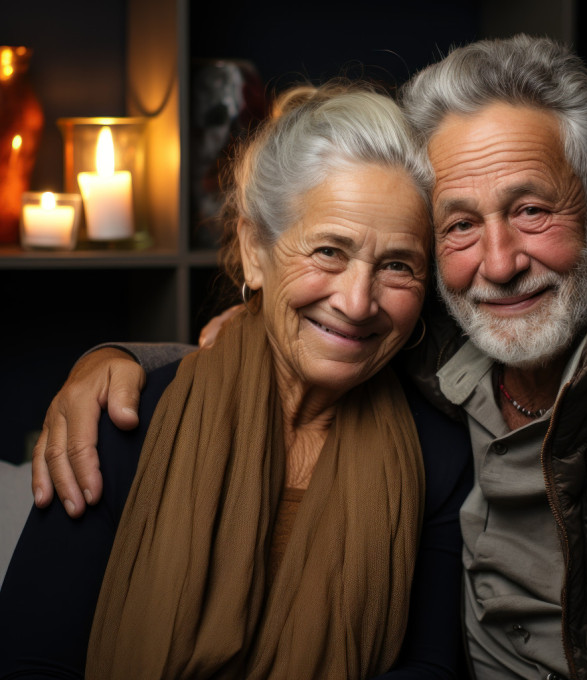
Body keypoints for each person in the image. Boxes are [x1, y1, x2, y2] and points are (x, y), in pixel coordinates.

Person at [24, 35, 587, 679]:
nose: (496, 263)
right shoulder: (433, 330)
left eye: (531, 210)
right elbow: (311, 335)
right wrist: (119, 360)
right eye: (457, 225)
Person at [0, 84, 473, 678]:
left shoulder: (442, 458)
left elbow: (427, 670)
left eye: (398, 266)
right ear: (255, 250)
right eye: (328, 251)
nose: (357, 302)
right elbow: (28, 663)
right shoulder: (121, 420)